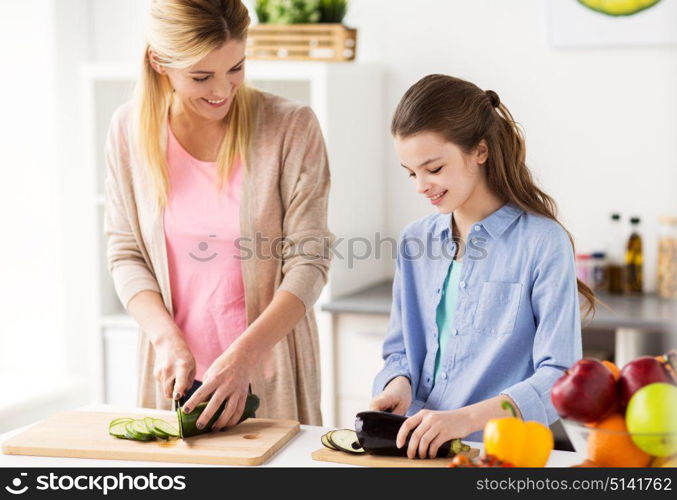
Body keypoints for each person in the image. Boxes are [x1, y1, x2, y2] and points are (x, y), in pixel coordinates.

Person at [104, 0, 332, 429]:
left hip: (267, 369)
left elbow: (310, 260)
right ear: (159, 63)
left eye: (236, 68)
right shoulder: (129, 131)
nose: (223, 90)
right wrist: (165, 339)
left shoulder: (291, 127)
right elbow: (125, 254)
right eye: (201, 76)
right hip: (175, 378)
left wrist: (246, 355)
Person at [370, 74, 594, 458]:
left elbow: (559, 377)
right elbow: (400, 352)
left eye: (434, 169)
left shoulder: (542, 243)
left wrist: (463, 419)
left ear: (480, 151)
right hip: (413, 450)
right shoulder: (414, 241)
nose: (420, 185)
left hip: (496, 456)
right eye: (411, 172)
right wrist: (397, 386)